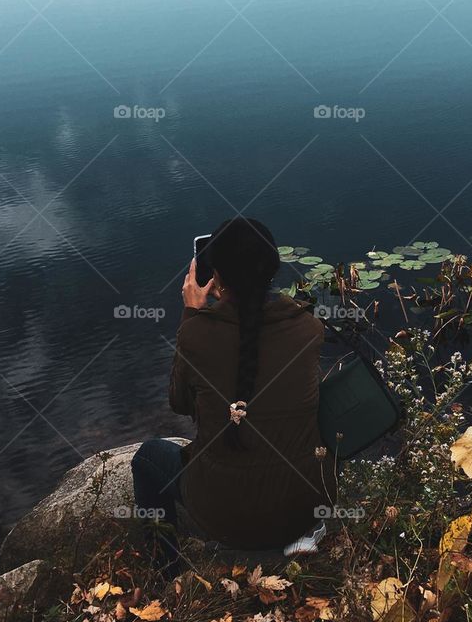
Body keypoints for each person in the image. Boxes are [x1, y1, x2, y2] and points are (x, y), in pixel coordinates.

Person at [131, 217, 334, 574]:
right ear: (273, 270)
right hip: (301, 511)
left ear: (217, 277)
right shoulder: (309, 329)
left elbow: (179, 404)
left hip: (223, 517)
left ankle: (166, 571)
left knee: (148, 458)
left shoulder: (197, 334)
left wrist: (192, 312)